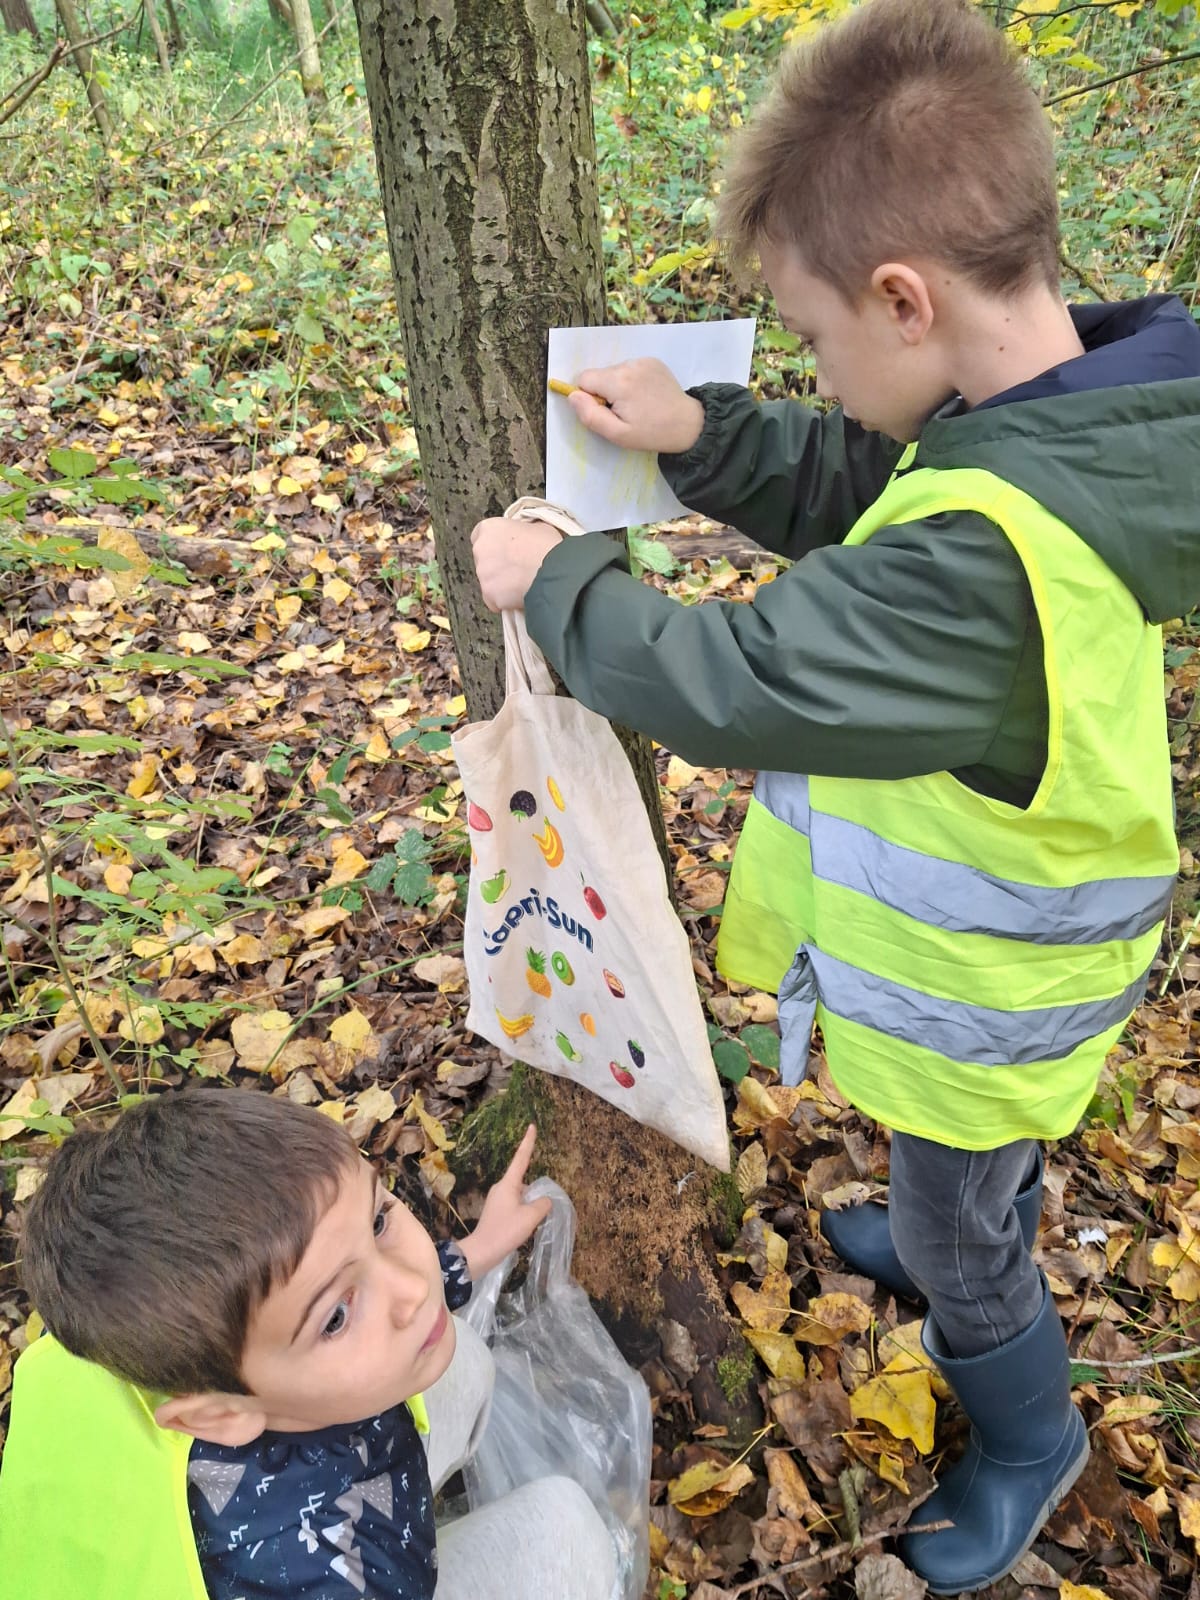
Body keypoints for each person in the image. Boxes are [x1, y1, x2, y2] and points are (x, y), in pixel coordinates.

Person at [470, 0, 1200, 1589]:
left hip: (983, 1004)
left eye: (808, 336)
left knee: (961, 1243)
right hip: (1003, 984)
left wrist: (559, 583)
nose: (814, 364)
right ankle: (954, 1225)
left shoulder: (988, 558)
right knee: (966, 1183)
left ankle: (1029, 1435)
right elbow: (878, 483)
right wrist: (706, 437)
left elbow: (745, 679)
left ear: (903, 298)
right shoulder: (1068, 423)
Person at [0, 1089, 617, 1600]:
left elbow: (331, 1284)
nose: (413, 1290)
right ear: (222, 1415)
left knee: (462, 1360)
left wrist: (478, 1250)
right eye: (336, 1317)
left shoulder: (130, 1325)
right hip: (323, 1544)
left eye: (378, 1220)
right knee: (564, 1535)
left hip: (282, 1464)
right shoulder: (331, 1580)